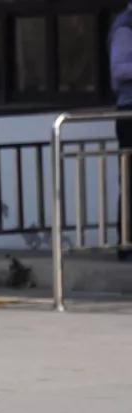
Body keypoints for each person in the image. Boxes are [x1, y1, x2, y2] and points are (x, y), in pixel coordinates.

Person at [111, 2, 132, 260]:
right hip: (129, 114)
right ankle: (127, 243)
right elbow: (118, 69)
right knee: (129, 180)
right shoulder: (125, 28)